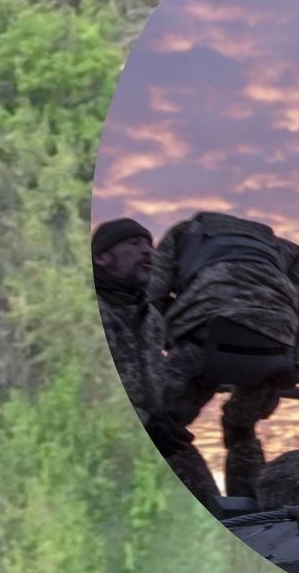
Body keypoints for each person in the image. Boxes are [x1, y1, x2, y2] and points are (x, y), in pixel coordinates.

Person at [147, 210, 299, 504]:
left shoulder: (184, 233)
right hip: (275, 344)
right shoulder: (287, 249)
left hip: (204, 332)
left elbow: (150, 298)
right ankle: (253, 510)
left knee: (163, 426)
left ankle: (203, 505)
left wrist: (151, 358)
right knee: (240, 426)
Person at [93, 217, 223, 511]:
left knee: (210, 505)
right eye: (134, 244)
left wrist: (163, 419)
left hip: (152, 432)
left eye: (150, 246)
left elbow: (155, 376)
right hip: (100, 439)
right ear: (102, 257)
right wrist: (144, 423)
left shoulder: (151, 318)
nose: (148, 252)